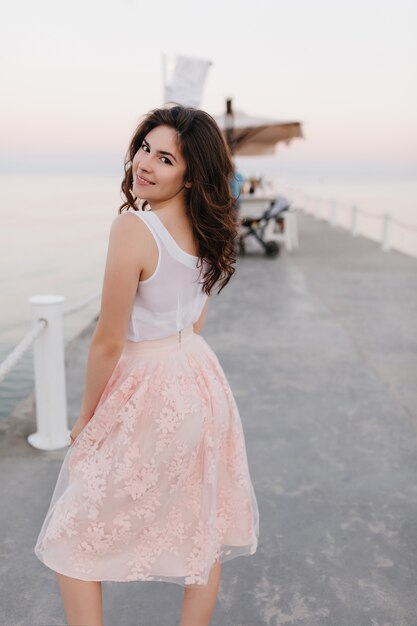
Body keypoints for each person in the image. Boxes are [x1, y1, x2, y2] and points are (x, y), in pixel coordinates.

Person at [34, 105, 259, 626]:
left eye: (165, 158)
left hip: (149, 387)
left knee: (72, 536)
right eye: (144, 149)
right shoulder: (210, 227)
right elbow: (195, 322)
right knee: (204, 531)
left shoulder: (134, 228)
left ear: (190, 174)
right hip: (199, 380)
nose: (145, 164)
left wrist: (88, 416)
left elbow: (108, 341)